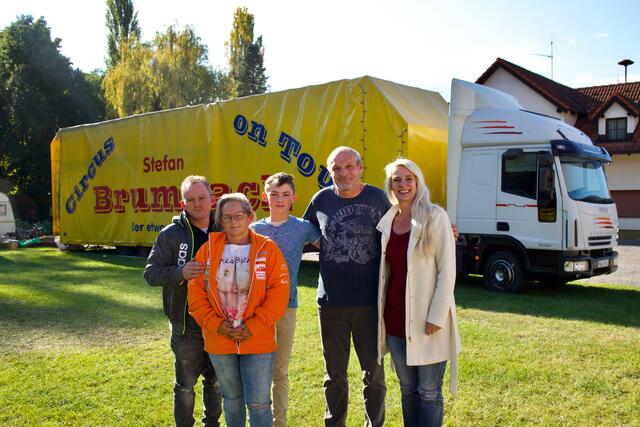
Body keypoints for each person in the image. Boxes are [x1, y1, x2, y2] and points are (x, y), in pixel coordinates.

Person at [303, 146, 390, 427]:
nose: (343, 173)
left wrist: (437, 227)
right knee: (334, 376)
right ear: (329, 173)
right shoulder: (322, 199)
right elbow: (303, 232)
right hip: (331, 304)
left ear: (361, 167)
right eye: (336, 169)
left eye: (349, 166)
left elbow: (405, 229)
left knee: (373, 375)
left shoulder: (379, 198)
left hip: (370, 303)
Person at [188, 193, 290, 427]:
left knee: (259, 403)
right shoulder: (208, 251)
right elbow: (196, 294)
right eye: (226, 217)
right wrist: (217, 325)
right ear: (220, 221)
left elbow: (279, 293)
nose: (233, 221)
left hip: (258, 339)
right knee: (232, 398)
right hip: (220, 339)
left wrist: (252, 326)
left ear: (250, 216)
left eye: (238, 215)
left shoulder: (268, 249)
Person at [376, 158, 461, 427]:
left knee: (429, 392)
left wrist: (437, 315)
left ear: (418, 181)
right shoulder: (387, 220)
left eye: (408, 178)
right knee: (407, 389)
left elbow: (447, 272)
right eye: (397, 180)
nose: (403, 185)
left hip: (428, 320)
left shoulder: (435, 216)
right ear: (390, 185)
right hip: (395, 319)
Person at [143, 175, 223, 427]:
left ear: (212, 198)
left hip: (220, 322)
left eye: (202, 198)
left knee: (217, 382)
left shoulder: (225, 228)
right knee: (186, 386)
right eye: (191, 199)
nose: (197, 204)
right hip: (187, 326)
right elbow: (150, 273)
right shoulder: (171, 234)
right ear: (182, 202)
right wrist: (180, 273)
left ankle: (212, 424)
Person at [250, 172, 321, 427]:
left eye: (285, 194)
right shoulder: (253, 229)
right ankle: (259, 420)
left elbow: (334, 248)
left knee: (279, 372)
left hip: (286, 308)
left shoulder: (303, 227)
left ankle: (279, 423)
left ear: (294, 198)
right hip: (254, 310)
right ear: (264, 196)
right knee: (257, 371)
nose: (279, 199)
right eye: (274, 194)